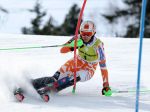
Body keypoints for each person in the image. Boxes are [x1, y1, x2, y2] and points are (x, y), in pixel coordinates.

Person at [14, 21, 112, 102]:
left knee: (74, 77)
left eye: (88, 34)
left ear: (94, 33)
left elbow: (103, 66)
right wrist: (73, 45)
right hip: (76, 61)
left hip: (89, 68)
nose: (85, 36)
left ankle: (47, 90)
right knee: (54, 79)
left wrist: (106, 85)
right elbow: (62, 50)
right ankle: (26, 86)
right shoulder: (77, 38)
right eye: (83, 33)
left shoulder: (98, 45)